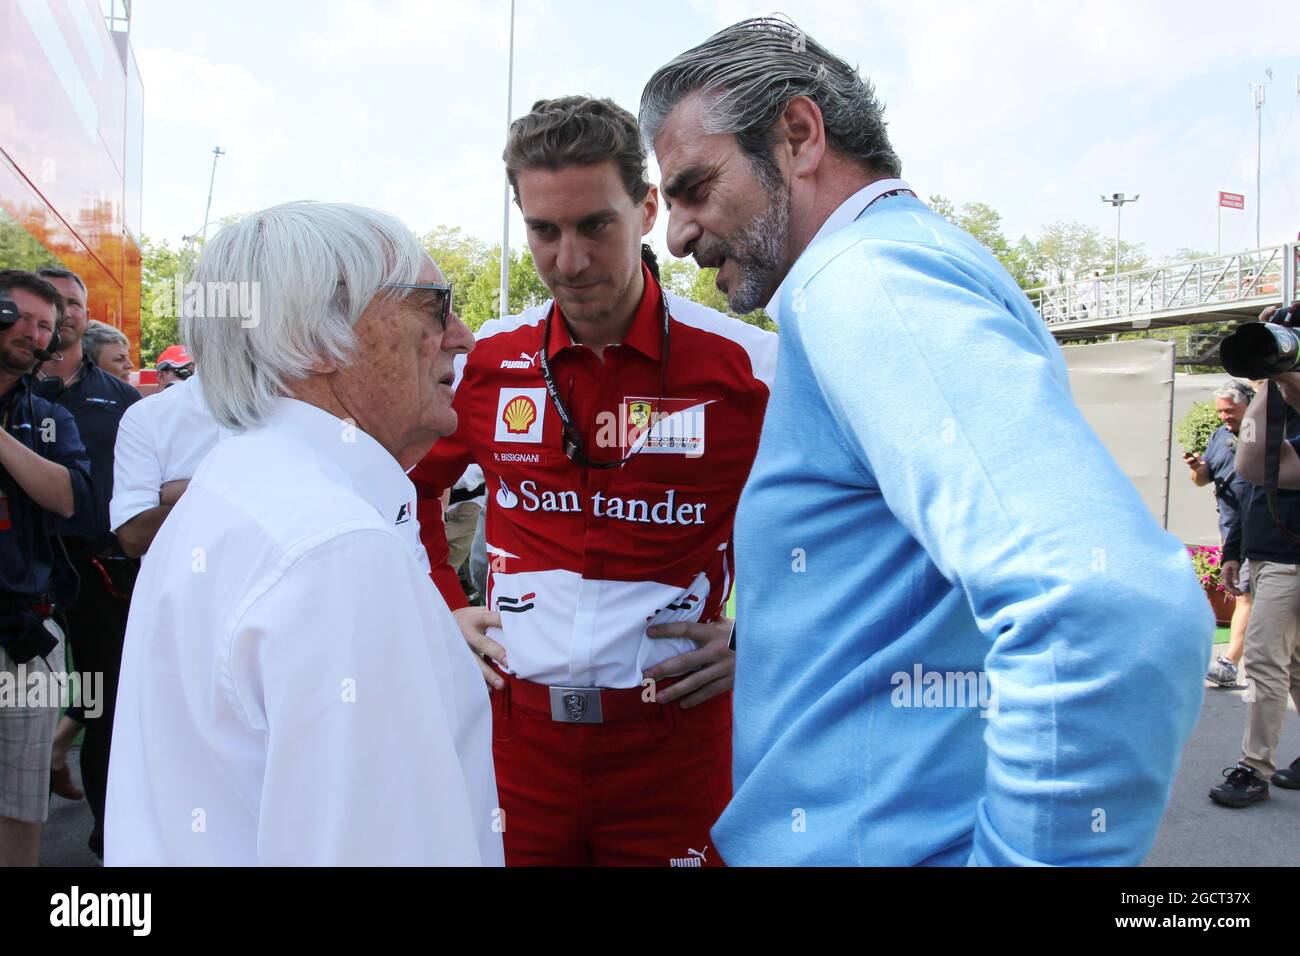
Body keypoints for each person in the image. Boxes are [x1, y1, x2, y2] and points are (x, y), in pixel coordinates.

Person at [640, 16, 1210, 866]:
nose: (677, 234)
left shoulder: (864, 282)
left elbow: (1108, 607)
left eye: (693, 187)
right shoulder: (904, 264)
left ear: (798, 135)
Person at [411, 96, 776, 866]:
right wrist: (443, 607)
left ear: (646, 210)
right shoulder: (488, 364)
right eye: (544, 231)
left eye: (594, 226)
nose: (569, 262)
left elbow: (848, 530)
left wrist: (766, 643)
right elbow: (401, 487)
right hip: (518, 741)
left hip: (675, 743)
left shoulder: (750, 368)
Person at [104, 201, 502, 865]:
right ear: (319, 337)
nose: (461, 337)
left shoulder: (245, 487)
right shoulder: (335, 546)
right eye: (436, 304)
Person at [29, 267, 141, 855]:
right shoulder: (13, 389)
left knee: (104, 704)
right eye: (53, 303)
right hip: (21, 570)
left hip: (96, 571)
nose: (66, 313)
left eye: (74, 302)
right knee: (16, 699)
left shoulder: (120, 396)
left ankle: (106, 837)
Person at [0, 271, 95, 867]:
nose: (33, 333)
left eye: (46, 324)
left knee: (21, 798)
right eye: (21, 316)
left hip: (26, 633)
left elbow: (69, 498)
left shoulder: (45, 414)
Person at [1208, 304, 1300, 807]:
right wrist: (1235, 549)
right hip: (1267, 555)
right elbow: (1246, 483)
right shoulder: (1277, 411)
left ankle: (1254, 770)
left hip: (1290, 562)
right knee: (1296, 668)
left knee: (1264, 663)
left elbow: (1260, 465)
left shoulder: (1282, 421)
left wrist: (1273, 378)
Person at [1183, 381, 1255, 686]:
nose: (1225, 416)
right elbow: (1202, 479)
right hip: (1230, 528)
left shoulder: (1261, 436)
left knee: (1245, 595)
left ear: (1249, 405)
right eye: (1221, 412)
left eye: (1230, 411)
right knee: (1244, 594)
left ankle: (1228, 663)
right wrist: (1196, 467)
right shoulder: (1219, 436)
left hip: (1260, 527)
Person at [109, 372, 224, 558]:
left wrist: (188, 491)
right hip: (182, 584)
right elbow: (133, 536)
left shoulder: (284, 408)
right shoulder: (149, 415)